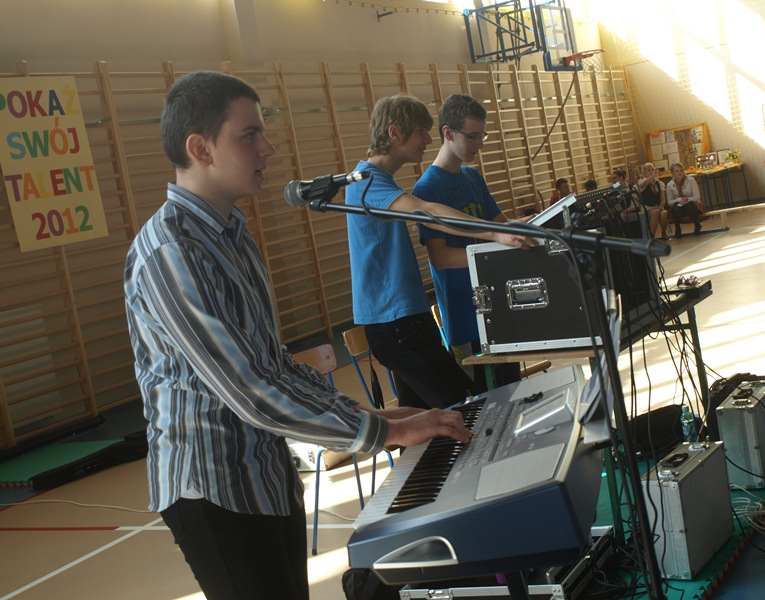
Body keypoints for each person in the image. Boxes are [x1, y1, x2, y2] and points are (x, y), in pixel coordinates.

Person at [124, 72, 472, 600]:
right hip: (213, 486)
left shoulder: (232, 236)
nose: (268, 148)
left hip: (265, 472)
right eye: (249, 135)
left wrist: (375, 416)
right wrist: (384, 433)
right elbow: (251, 392)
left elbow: (273, 366)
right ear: (200, 149)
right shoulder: (172, 252)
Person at [345, 94, 532, 410]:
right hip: (395, 323)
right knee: (468, 409)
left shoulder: (379, 181)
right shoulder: (366, 182)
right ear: (394, 133)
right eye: (421, 131)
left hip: (408, 319)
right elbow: (428, 211)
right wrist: (493, 233)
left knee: (423, 421)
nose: (428, 139)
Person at [412, 94, 520, 391]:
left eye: (482, 135)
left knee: (513, 390)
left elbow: (501, 226)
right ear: (448, 133)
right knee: (483, 402)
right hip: (465, 317)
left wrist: (535, 224)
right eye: (472, 136)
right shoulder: (427, 189)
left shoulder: (473, 177)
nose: (479, 144)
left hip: (499, 307)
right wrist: (495, 247)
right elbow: (441, 258)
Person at [666, 162, 703, 237]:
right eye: (677, 171)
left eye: (681, 170)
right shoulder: (670, 185)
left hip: (692, 203)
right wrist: (679, 200)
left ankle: (697, 225)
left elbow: (697, 196)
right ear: (672, 173)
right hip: (679, 205)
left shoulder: (690, 180)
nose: (680, 173)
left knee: (689, 206)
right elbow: (669, 202)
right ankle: (678, 229)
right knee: (676, 208)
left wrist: (687, 199)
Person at [636, 162, 669, 238]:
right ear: (644, 172)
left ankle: (664, 232)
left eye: (652, 169)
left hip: (657, 207)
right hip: (648, 208)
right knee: (654, 213)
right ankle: (651, 236)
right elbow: (642, 185)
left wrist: (659, 208)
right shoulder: (641, 181)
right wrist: (652, 176)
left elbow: (662, 199)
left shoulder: (659, 183)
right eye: (649, 170)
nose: (651, 171)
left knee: (663, 214)